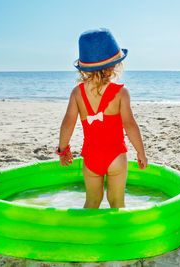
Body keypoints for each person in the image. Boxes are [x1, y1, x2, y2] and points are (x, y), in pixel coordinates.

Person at [56, 28, 148, 209]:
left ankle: (86, 235)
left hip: (91, 158)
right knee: (117, 203)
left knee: (91, 202)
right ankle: (117, 236)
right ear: (115, 65)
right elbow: (130, 126)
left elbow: (68, 123)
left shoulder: (77, 93)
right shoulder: (121, 93)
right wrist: (140, 152)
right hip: (116, 157)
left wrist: (63, 149)